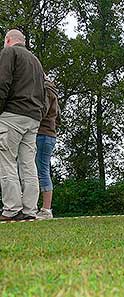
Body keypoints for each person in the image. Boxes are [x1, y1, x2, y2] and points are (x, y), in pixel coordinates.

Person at [0, 29, 47, 221]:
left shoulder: (8, 53)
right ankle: (30, 210)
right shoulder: (36, 61)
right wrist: (39, 114)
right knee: (28, 164)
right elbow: (45, 91)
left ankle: (11, 209)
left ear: (8, 40)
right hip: (33, 117)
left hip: (12, 114)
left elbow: (2, 83)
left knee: (6, 160)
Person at [35, 76, 60, 220]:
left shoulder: (45, 89)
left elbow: (41, 111)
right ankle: (44, 208)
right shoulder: (54, 92)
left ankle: (46, 209)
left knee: (41, 171)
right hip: (49, 134)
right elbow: (58, 117)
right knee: (41, 170)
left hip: (42, 133)